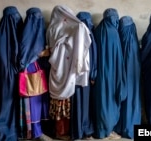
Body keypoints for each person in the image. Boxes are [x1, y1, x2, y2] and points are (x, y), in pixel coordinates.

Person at [46, 5, 91, 140]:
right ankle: (63, 132)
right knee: (66, 103)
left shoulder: (51, 28)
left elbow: (49, 47)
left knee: (57, 101)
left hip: (56, 69)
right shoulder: (75, 28)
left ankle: (59, 131)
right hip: (68, 69)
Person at [0, 6, 23, 140]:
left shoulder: (2, 31)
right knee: (6, 106)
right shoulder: (10, 31)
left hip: (0, 75)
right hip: (9, 76)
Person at [18, 7, 52, 141]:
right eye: (35, 17)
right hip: (30, 70)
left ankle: (39, 130)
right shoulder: (26, 33)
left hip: (38, 70)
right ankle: (34, 132)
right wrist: (38, 54)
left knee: (39, 103)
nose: (39, 20)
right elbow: (25, 50)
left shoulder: (39, 30)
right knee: (33, 104)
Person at [93, 8, 126, 139]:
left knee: (100, 101)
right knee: (110, 102)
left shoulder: (97, 30)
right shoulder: (113, 32)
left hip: (99, 76)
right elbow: (118, 58)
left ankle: (101, 130)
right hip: (112, 75)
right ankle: (107, 129)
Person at [69, 11, 97, 140]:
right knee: (85, 104)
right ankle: (85, 129)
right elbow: (94, 56)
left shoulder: (73, 32)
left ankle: (78, 130)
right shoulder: (89, 33)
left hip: (74, 76)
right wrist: (93, 74)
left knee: (77, 104)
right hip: (85, 76)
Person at [114, 15, 141, 139]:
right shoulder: (134, 41)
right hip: (133, 76)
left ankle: (123, 127)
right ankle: (129, 127)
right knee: (132, 99)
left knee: (124, 98)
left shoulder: (119, 40)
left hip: (124, 76)